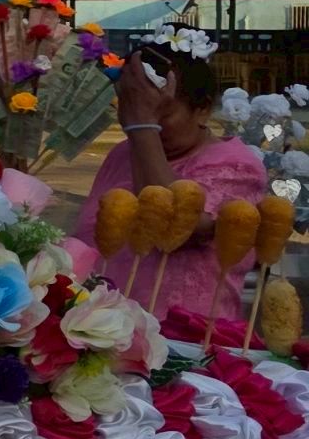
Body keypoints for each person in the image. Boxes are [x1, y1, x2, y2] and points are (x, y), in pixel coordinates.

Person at [74, 30, 267, 324]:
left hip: (187, 338)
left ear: (202, 110)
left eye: (161, 113)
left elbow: (174, 226)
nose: (141, 118)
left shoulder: (237, 166)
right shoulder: (123, 153)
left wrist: (143, 127)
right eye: (133, 106)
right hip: (107, 329)